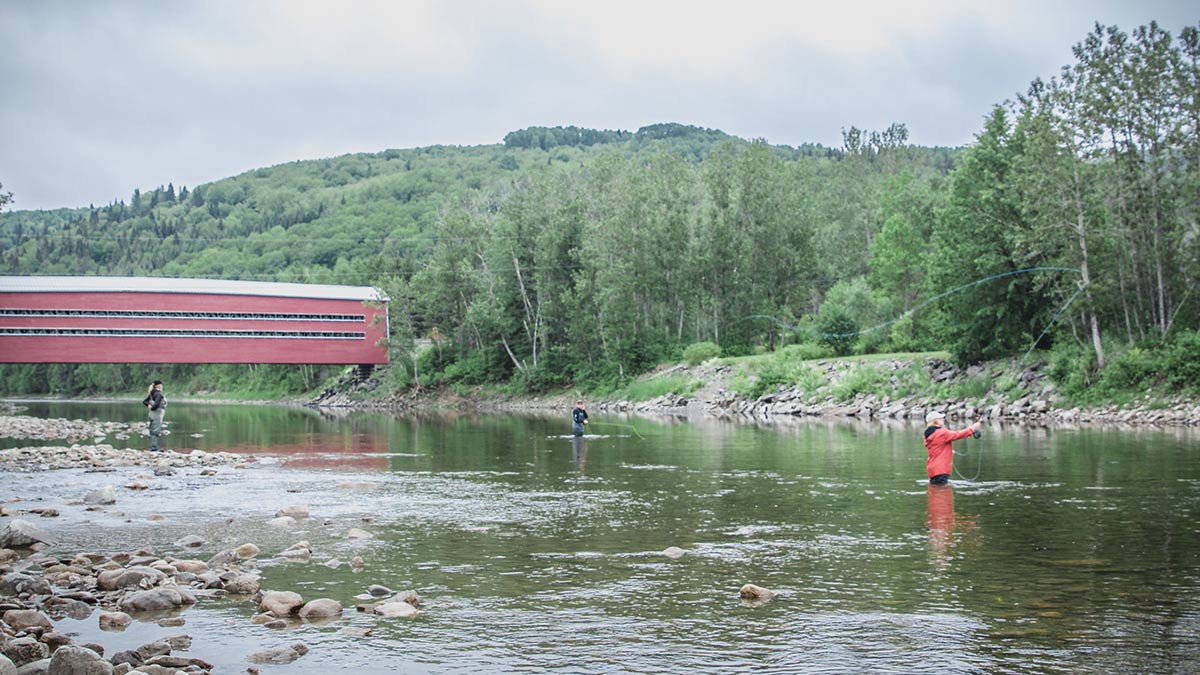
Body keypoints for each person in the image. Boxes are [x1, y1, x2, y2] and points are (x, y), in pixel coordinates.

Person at [923, 410, 980, 484]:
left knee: (936, 492)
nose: (943, 419)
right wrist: (973, 428)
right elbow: (958, 435)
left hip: (932, 469)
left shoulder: (927, 434)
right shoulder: (941, 433)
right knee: (943, 493)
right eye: (940, 418)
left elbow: (937, 447)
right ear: (935, 421)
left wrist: (949, 451)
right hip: (941, 469)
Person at [143, 379, 167, 452]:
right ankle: (154, 448)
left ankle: (154, 447)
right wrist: (152, 407)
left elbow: (144, 402)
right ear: (159, 386)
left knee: (152, 430)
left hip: (151, 414)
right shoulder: (159, 394)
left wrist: (149, 406)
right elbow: (156, 405)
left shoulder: (152, 393)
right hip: (157, 415)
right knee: (155, 431)